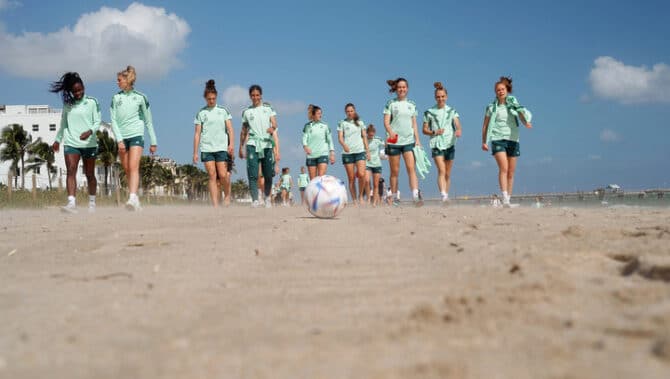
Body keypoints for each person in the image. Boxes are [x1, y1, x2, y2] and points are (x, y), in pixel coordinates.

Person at [50, 72, 100, 213]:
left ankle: (92, 204)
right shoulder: (68, 105)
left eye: (80, 89)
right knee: (71, 170)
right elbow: (63, 124)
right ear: (71, 92)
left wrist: (89, 132)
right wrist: (57, 140)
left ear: (83, 87)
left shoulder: (92, 102)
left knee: (90, 174)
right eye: (75, 91)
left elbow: (97, 122)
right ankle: (71, 203)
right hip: (71, 143)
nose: (78, 93)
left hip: (89, 143)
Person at [110, 65, 157, 211]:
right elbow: (113, 121)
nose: (117, 83)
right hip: (122, 138)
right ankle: (135, 198)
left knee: (133, 167)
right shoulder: (115, 98)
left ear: (127, 80)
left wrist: (153, 141)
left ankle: (131, 198)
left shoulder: (141, 97)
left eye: (119, 80)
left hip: (136, 135)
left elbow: (148, 120)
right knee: (127, 169)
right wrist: (119, 140)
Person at [481, 76, 532, 207]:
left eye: (502, 89)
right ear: (495, 92)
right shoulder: (491, 107)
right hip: (498, 139)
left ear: (507, 90)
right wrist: (484, 141)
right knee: (504, 168)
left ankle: (508, 200)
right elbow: (485, 125)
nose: (500, 91)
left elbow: (520, 113)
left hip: (513, 139)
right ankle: (504, 196)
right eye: (498, 90)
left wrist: (526, 122)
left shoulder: (513, 103)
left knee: (511, 171)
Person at [192, 80, 234, 208]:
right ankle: (215, 205)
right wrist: (195, 152)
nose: (211, 101)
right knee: (211, 175)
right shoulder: (201, 113)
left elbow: (230, 129)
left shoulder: (223, 111)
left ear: (216, 97)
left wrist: (231, 144)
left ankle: (227, 195)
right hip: (207, 148)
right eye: (209, 99)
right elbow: (197, 134)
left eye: (213, 98)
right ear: (205, 98)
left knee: (222, 175)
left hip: (221, 147)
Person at [239, 84, 281, 208]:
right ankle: (255, 200)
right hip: (252, 144)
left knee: (268, 174)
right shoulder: (247, 112)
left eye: (257, 95)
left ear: (261, 95)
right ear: (250, 96)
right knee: (252, 173)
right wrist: (240, 147)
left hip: (267, 144)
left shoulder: (268, 109)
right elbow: (243, 131)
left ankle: (267, 197)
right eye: (253, 95)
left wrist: (272, 128)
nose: (255, 97)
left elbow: (274, 123)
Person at [383, 78, 423, 206]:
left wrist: (417, 140)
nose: (401, 89)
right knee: (394, 172)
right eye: (399, 87)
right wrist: (391, 133)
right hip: (394, 142)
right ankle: (394, 197)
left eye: (404, 87)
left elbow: (414, 124)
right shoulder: (390, 103)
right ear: (396, 89)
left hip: (409, 141)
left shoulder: (412, 104)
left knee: (411, 169)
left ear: (407, 88)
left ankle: (416, 196)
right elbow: (386, 122)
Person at [422, 82, 462, 204]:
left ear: (446, 97)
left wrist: (459, 130)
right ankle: (443, 196)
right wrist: (434, 131)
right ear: (435, 98)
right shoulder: (429, 112)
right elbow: (424, 130)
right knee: (442, 170)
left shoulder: (452, 111)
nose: (440, 99)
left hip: (450, 143)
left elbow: (457, 123)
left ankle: (446, 196)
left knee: (448, 174)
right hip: (436, 143)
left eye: (442, 96)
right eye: (438, 97)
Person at [337, 103, 369, 205]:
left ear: (354, 111)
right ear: (345, 112)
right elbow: (340, 137)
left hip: (360, 151)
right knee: (351, 178)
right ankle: (354, 200)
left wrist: (367, 151)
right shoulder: (342, 123)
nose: (350, 113)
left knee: (361, 174)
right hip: (348, 153)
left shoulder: (360, 122)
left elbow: (364, 137)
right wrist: (344, 145)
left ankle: (360, 196)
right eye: (348, 111)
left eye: (351, 111)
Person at [302, 104, 335, 179]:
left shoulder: (325, 126)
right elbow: (304, 138)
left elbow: (330, 140)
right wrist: (305, 146)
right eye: (318, 114)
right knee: (313, 181)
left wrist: (332, 153)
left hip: (323, 154)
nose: (320, 115)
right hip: (311, 155)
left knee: (321, 178)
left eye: (321, 113)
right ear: (313, 115)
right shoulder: (307, 126)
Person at [365, 124, 384, 206]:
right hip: (367, 163)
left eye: (373, 133)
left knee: (376, 184)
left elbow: (386, 145)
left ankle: (375, 202)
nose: (371, 135)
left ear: (374, 132)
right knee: (366, 181)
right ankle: (369, 199)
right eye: (370, 133)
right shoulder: (364, 140)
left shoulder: (378, 139)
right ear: (367, 133)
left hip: (377, 164)